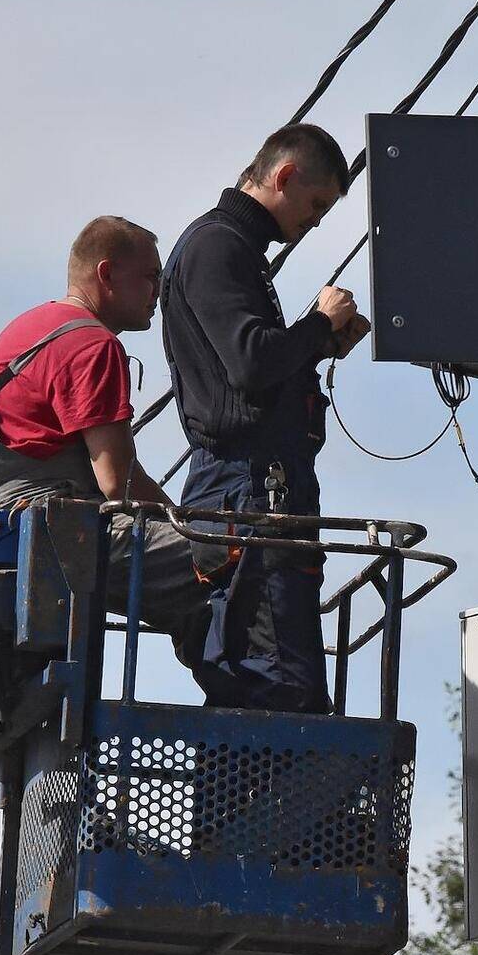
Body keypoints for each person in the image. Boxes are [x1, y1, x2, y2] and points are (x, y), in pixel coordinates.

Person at [161, 123, 370, 714]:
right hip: (248, 493)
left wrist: (317, 347)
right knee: (279, 687)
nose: (316, 220)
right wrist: (318, 326)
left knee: (265, 683)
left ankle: (246, 801)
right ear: (283, 177)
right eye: (316, 204)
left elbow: (248, 369)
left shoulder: (236, 251)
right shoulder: (218, 246)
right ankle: (265, 803)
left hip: (256, 491)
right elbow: (251, 365)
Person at [0, 215, 211, 673]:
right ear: (107, 273)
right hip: (57, 530)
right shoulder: (92, 345)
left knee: (196, 582)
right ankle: (243, 696)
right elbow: (117, 482)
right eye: (150, 277)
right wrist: (192, 527)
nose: (157, 290)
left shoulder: (28, 329)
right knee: (231, 556)